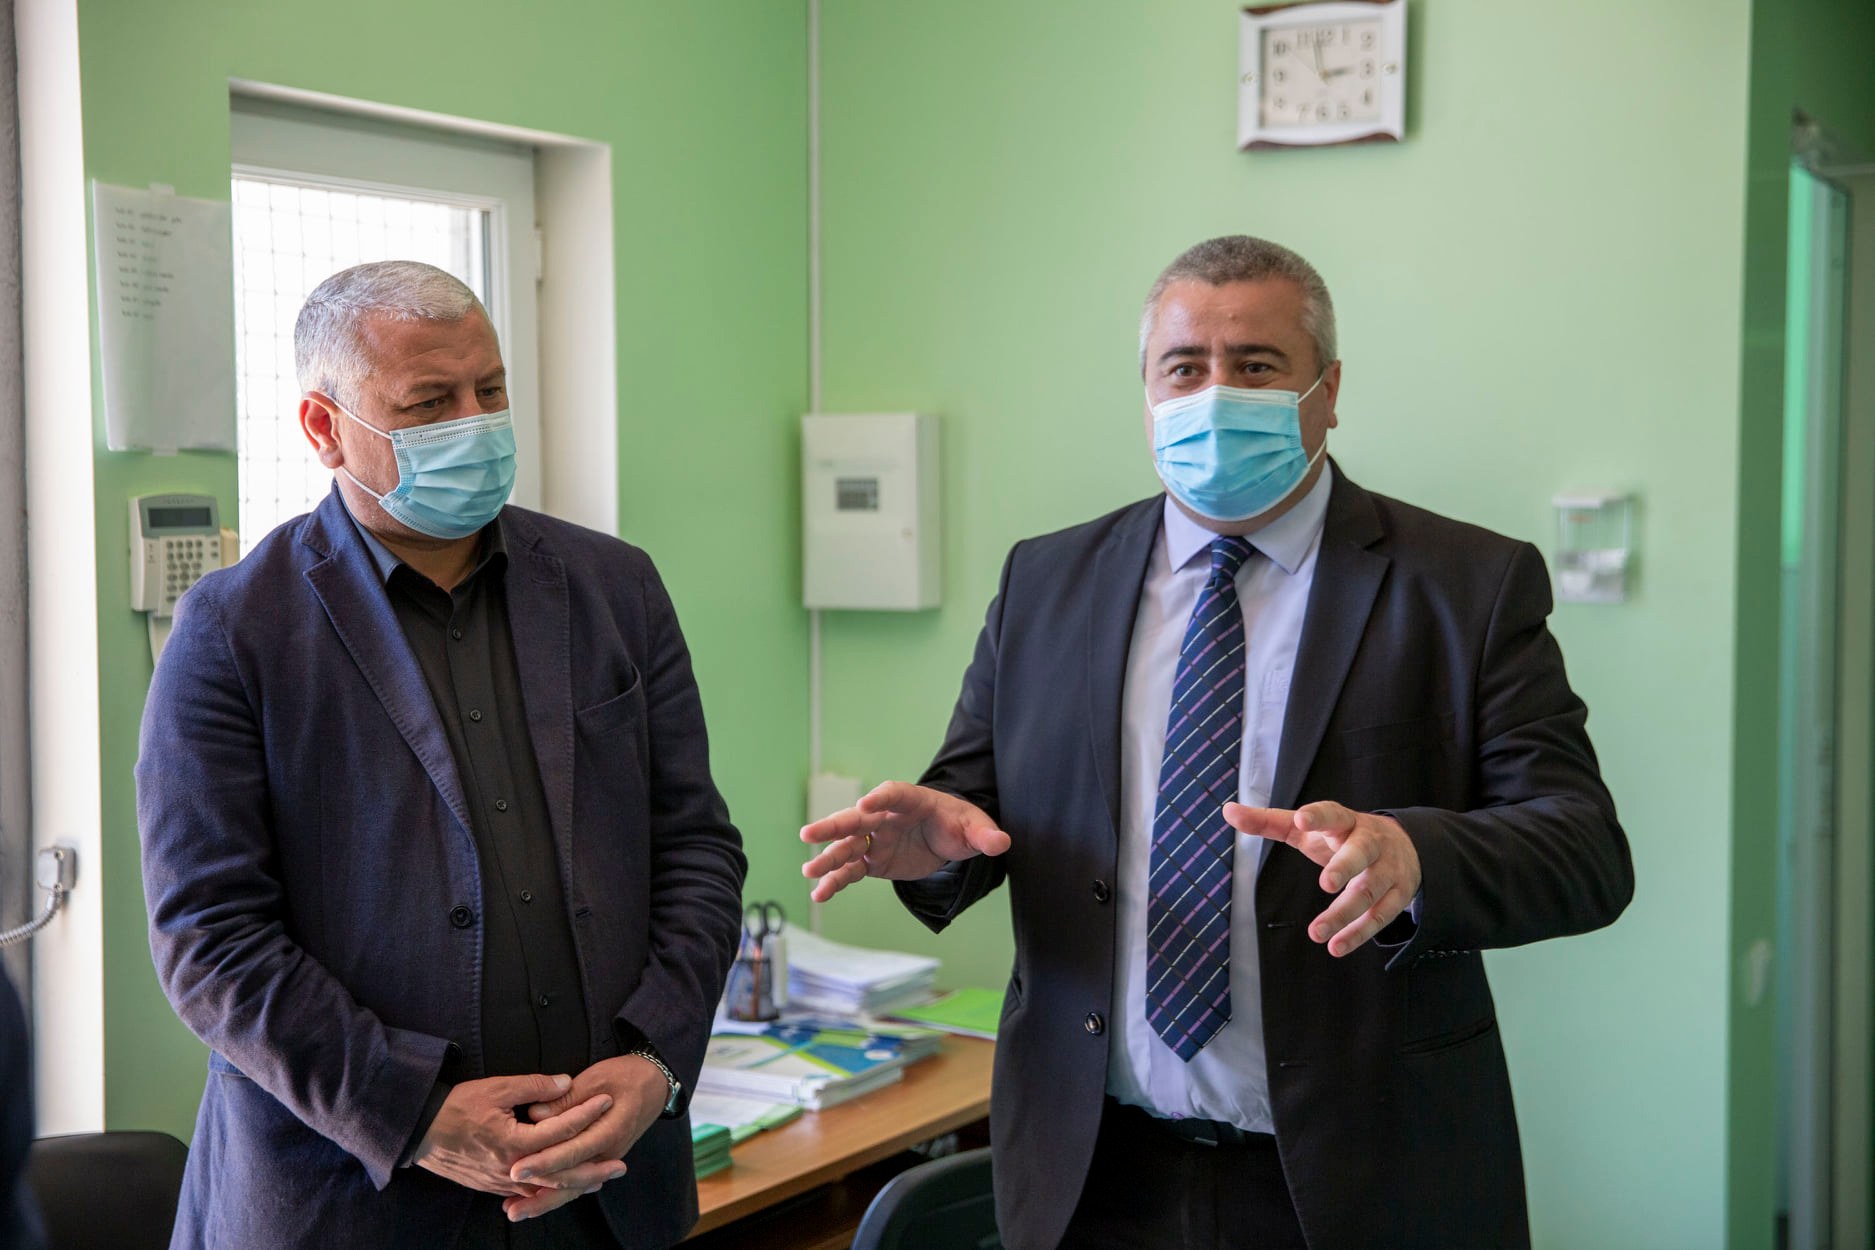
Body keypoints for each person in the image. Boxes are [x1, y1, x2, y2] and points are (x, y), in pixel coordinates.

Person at [802, 236, 1633, 1250]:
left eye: (1256, 365)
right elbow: (974, 812)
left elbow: (1584, 848)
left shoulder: (1464, 585)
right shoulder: (1046, 580)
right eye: (1184, 367)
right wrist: (931, 846)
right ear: (1147, 394)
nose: (1215, 394)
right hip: (1088, 1172)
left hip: (1363, 1175)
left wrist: (1415, 854)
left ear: (1328, 392)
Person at [138, 261, 746, 1250]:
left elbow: (697, 849)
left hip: (606, 1185)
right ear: (324, 427)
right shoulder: (236, 629)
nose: (476, 422)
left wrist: (657, 1062)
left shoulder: (614, 588)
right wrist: (413, 1110)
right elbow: (210, 935)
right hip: (352, 1198)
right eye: (429, 402)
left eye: (490, 389)